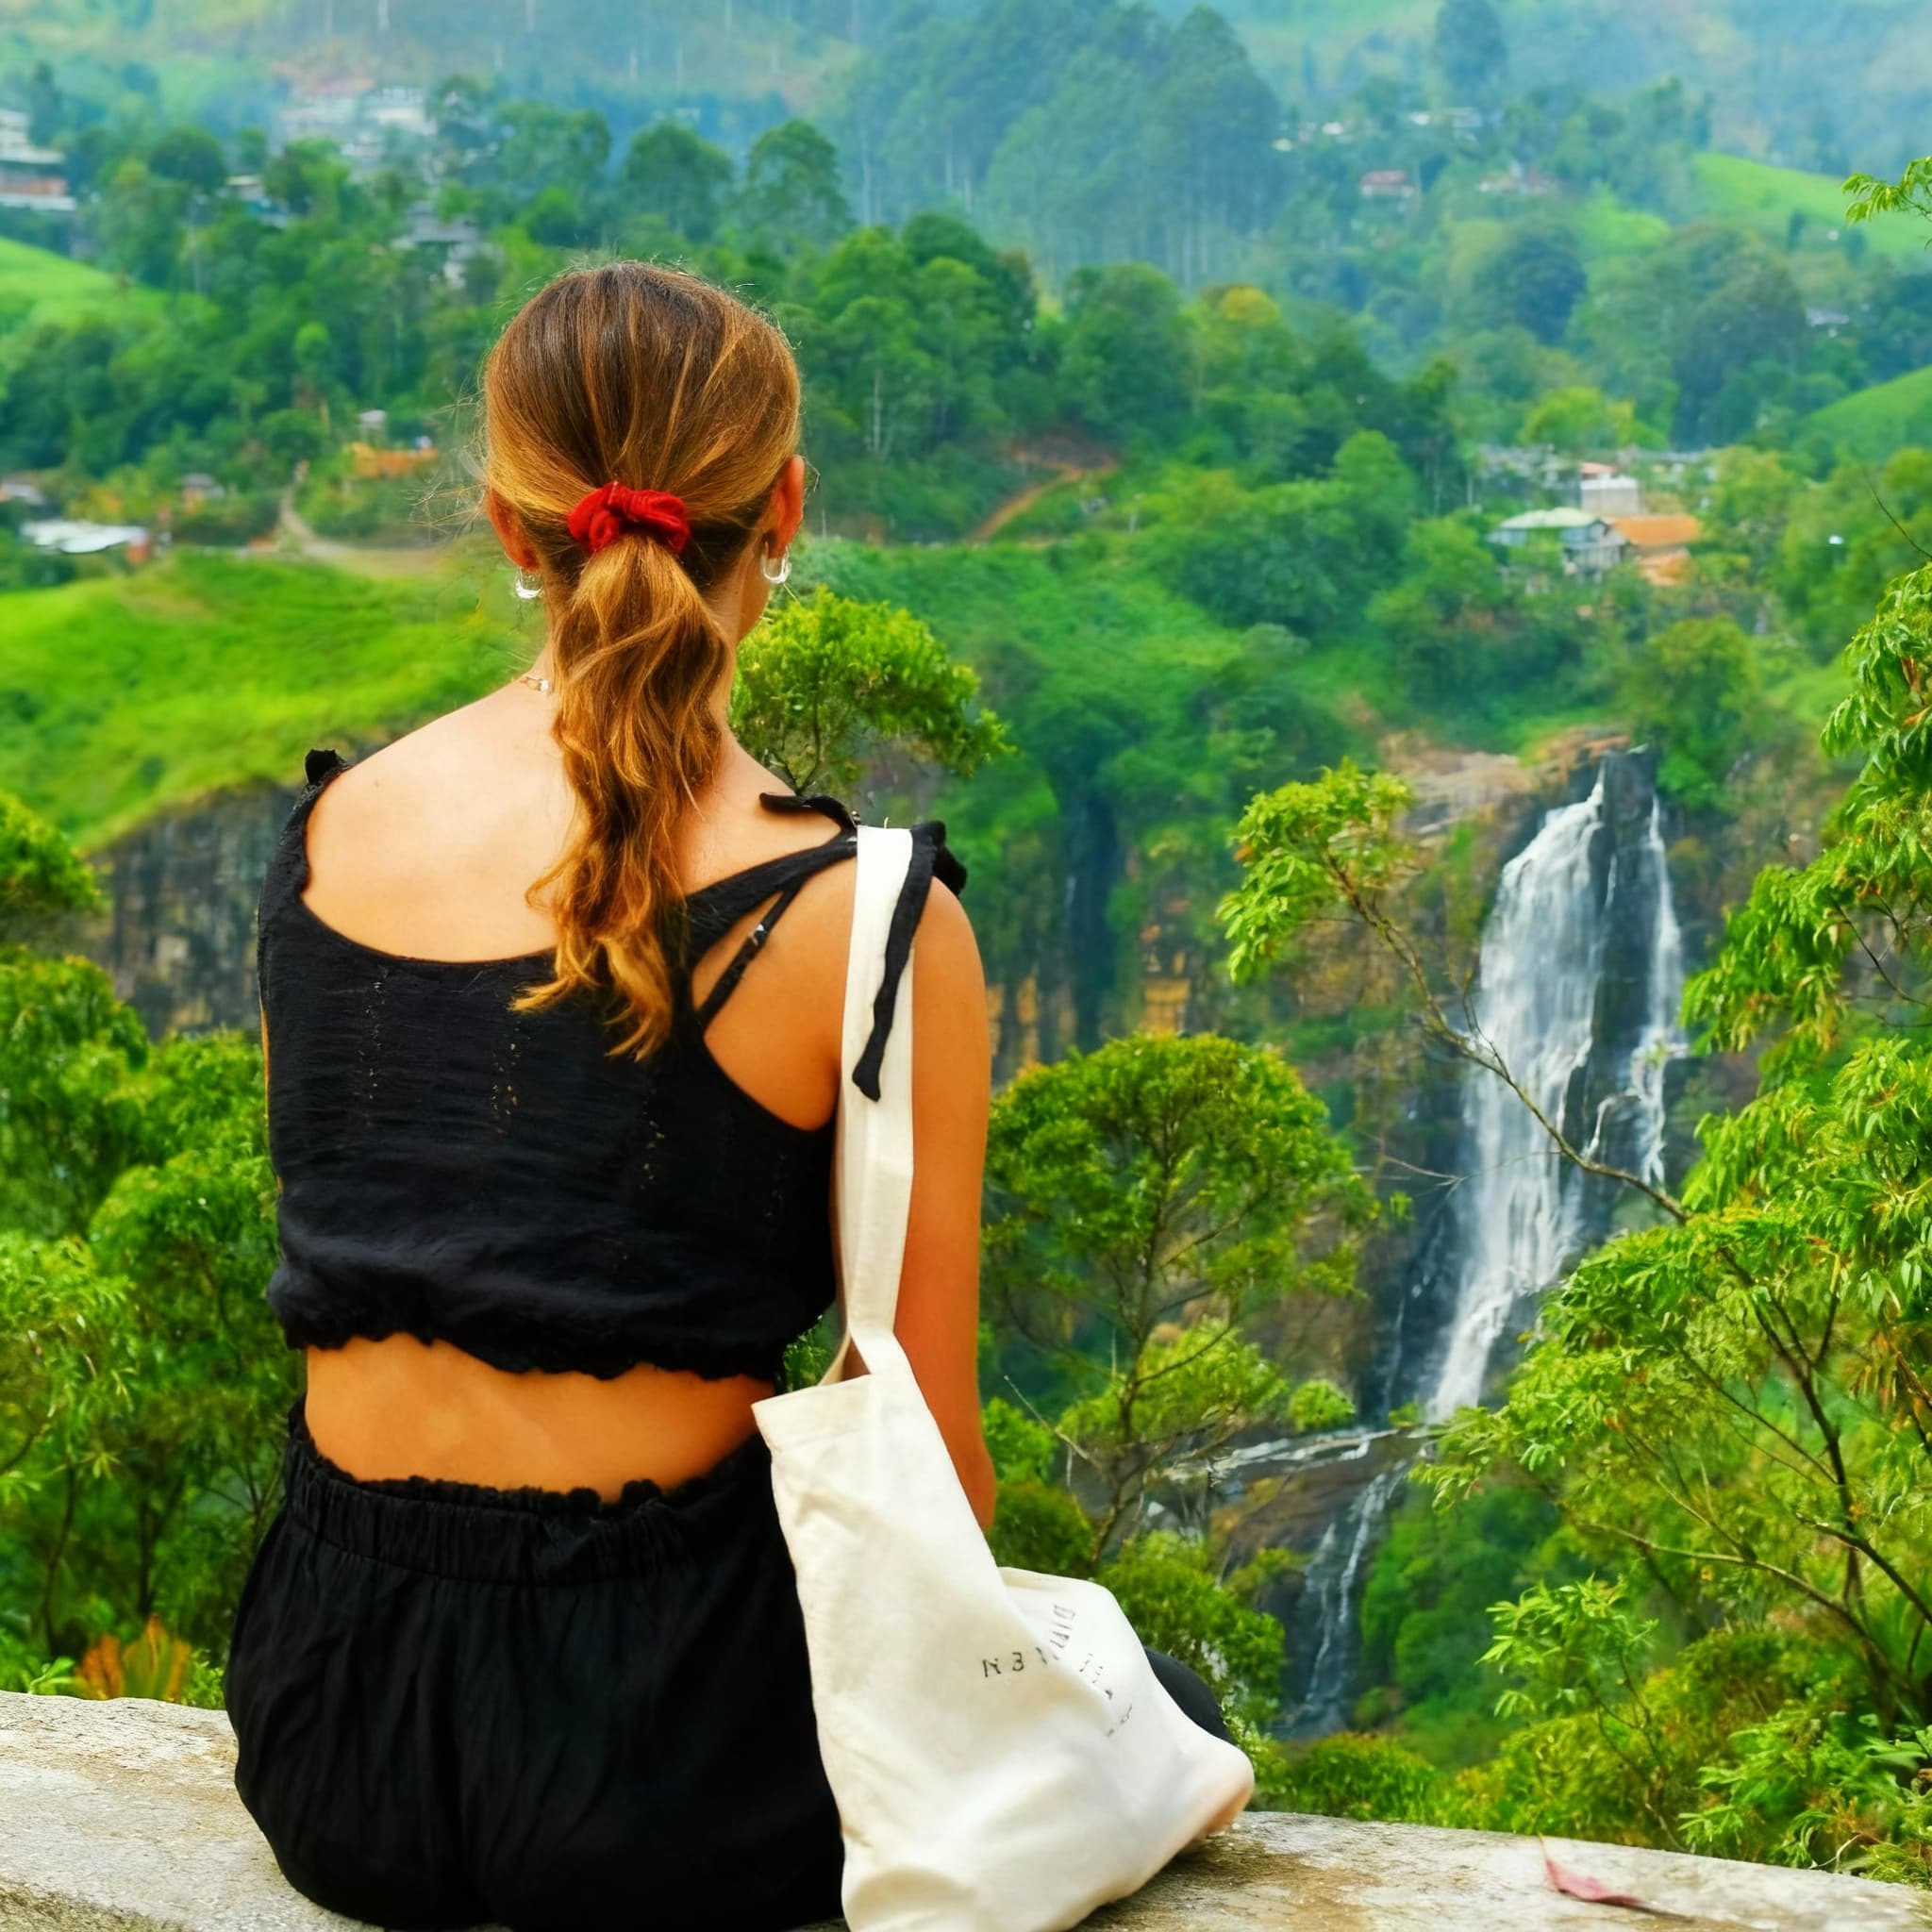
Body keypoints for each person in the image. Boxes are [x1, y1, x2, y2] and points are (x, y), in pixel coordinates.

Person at [225, 259, 1232, 1932]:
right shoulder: (862, 913)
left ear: (506, 521)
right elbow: (927, 1462)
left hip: (335, 1730)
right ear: (784, 513)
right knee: (1162, 1705)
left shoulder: (331, 837)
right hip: (659, 1770)